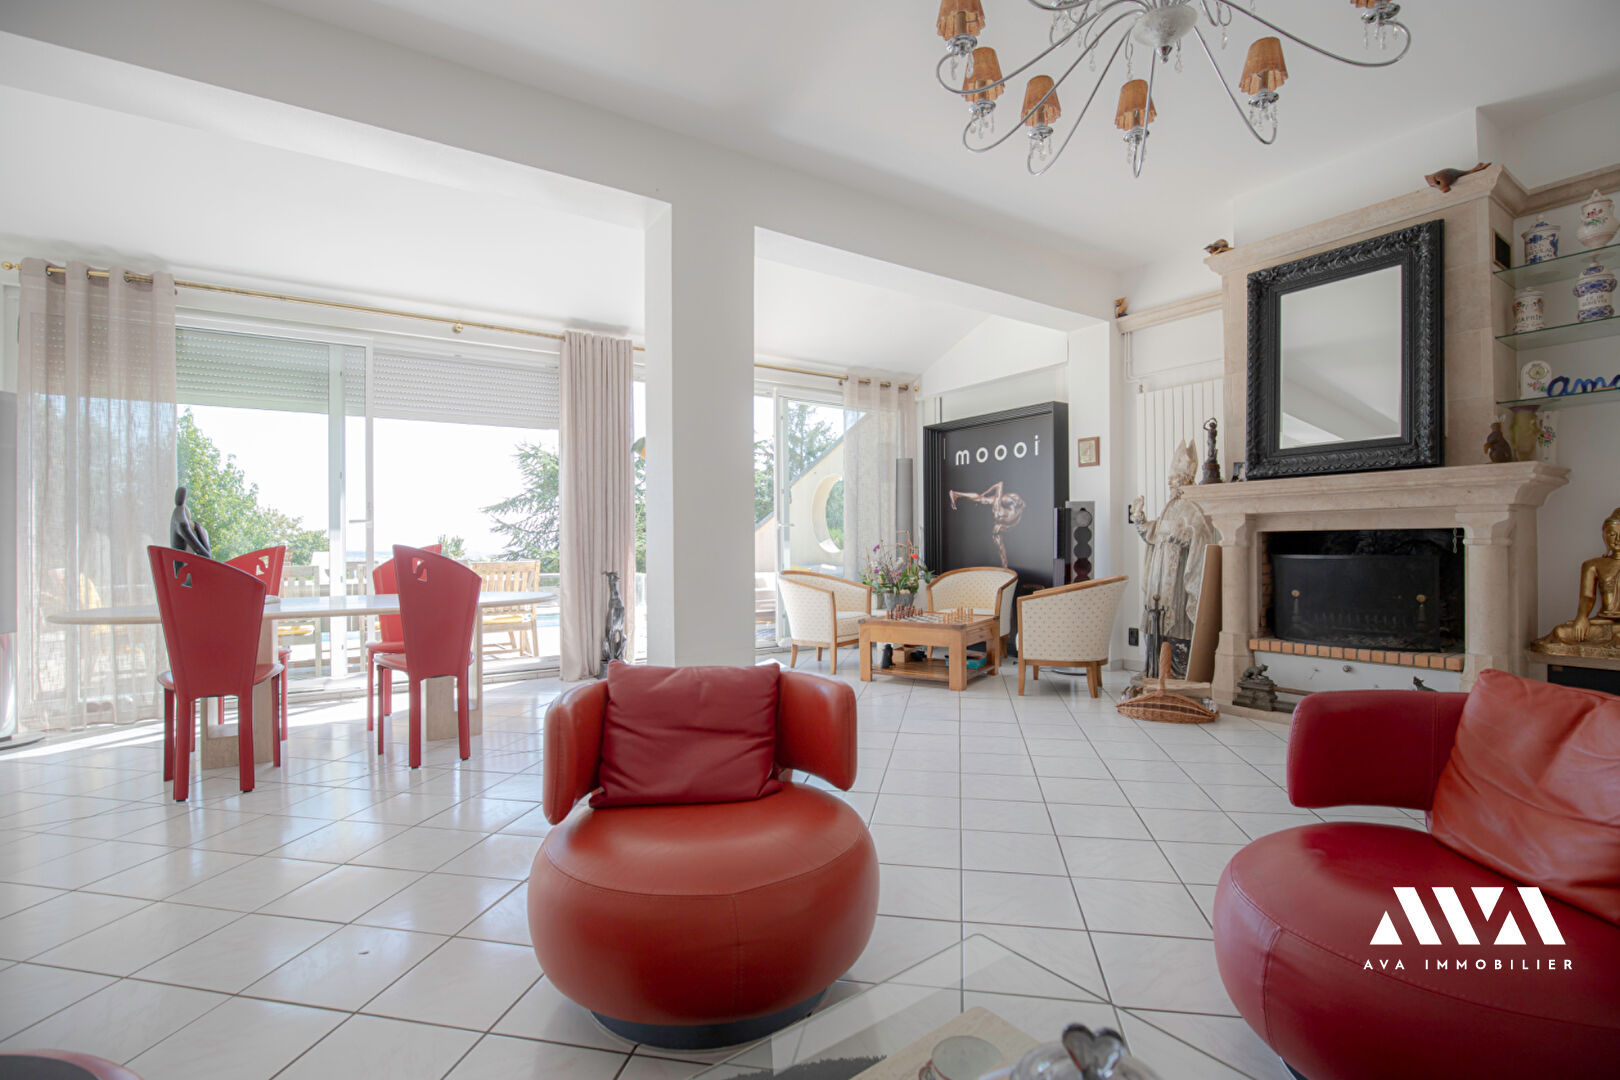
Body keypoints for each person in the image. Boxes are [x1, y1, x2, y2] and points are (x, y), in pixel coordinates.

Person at [1130, 441, 1216, 678]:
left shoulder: (1194, 507)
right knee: (1155, 616)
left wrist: (1182, 536)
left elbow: (1203, 536)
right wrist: (1139, 518)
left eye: (1175, 480)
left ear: (1187, 480)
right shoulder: (1170, 507)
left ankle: (1178, 673)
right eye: (1170, 481)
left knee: (1176, 620)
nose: (1172, 485)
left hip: (1178, 577)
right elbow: (1153, 534)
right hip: (1159, 575)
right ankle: (1155, 670)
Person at [1536, 507, 1620, 651]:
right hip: (1604, 622)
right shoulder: (1592, 565)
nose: (1618, 539)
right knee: (1560, 632)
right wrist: (1582, 617)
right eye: (1612, 534)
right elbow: (1587, 597)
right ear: (1604, 536)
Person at [948, 481, 1026, 569]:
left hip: (1010, 509)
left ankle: (956, 494)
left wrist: (984, 494)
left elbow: (1013, 522)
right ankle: (956, 494)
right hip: (1010, 507)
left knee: (982, 499)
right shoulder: (1000, 509)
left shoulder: (1002, 511)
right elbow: (1000, 484)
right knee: (982, 499)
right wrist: (985, 493)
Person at [169, 486, 211, 558]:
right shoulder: (182, 522)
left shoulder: (176, 514)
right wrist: (198, 529)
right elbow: (205, 555)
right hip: (185, 564)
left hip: (178, 561)